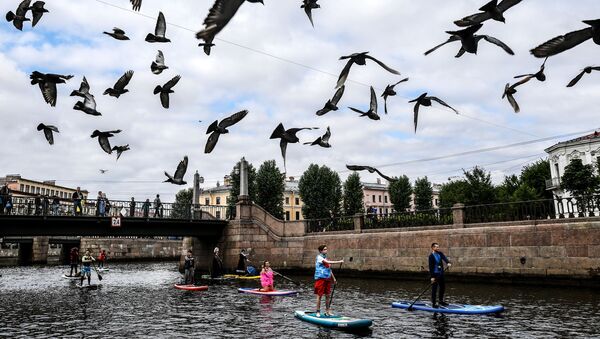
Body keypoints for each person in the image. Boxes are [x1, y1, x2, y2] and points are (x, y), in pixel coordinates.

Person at [314, 244, 344, 317]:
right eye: (324, 249)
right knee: (319, 296)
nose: (326, 250)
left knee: (327, 296)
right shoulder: (319, 258)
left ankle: (327, 311)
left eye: (326, 249)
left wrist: (333, 278)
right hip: (320, 279)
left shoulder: (325, 258)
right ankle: (318, 311)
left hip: (327, 279)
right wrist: (339, 261)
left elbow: (329, 269)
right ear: (321, 251)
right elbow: (328, 263)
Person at [429, 242, 451, 308]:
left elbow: (444, 258)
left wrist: (448, 262)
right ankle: (433, 303)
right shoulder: (431, 256)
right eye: (436, 247)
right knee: (434, 289)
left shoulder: (440, 253)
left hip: (441, 273)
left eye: (438, 247)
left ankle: (441, 301)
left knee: (442, 287)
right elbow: (431, 267)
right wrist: (432, 277)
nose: (438, 248)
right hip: (435, 275)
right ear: (432, 248)